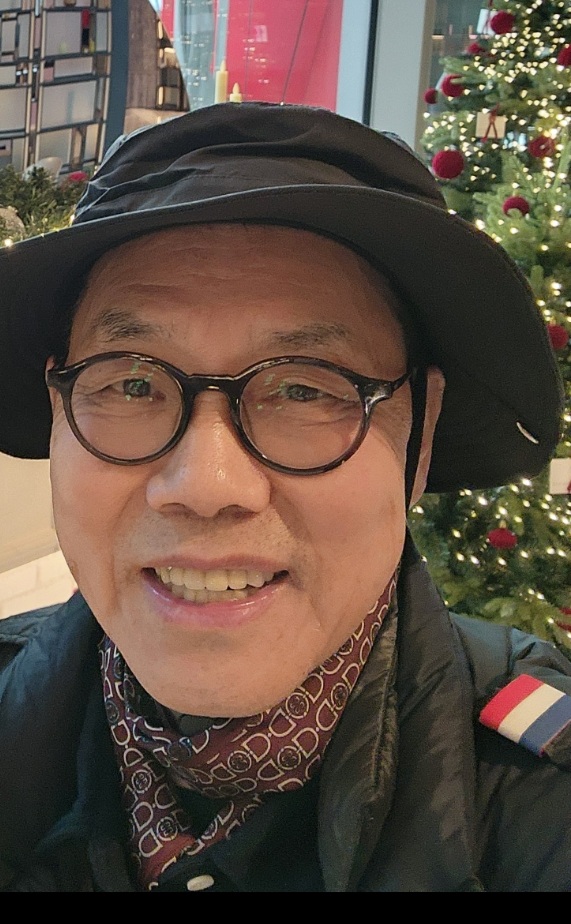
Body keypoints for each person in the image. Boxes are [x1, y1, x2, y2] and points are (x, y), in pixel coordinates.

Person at [0, 102, 570, 893]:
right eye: (130, 383)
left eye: (305, 389)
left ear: (420, 436)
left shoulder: (538, 800)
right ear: (58, 412)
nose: (205, 485)